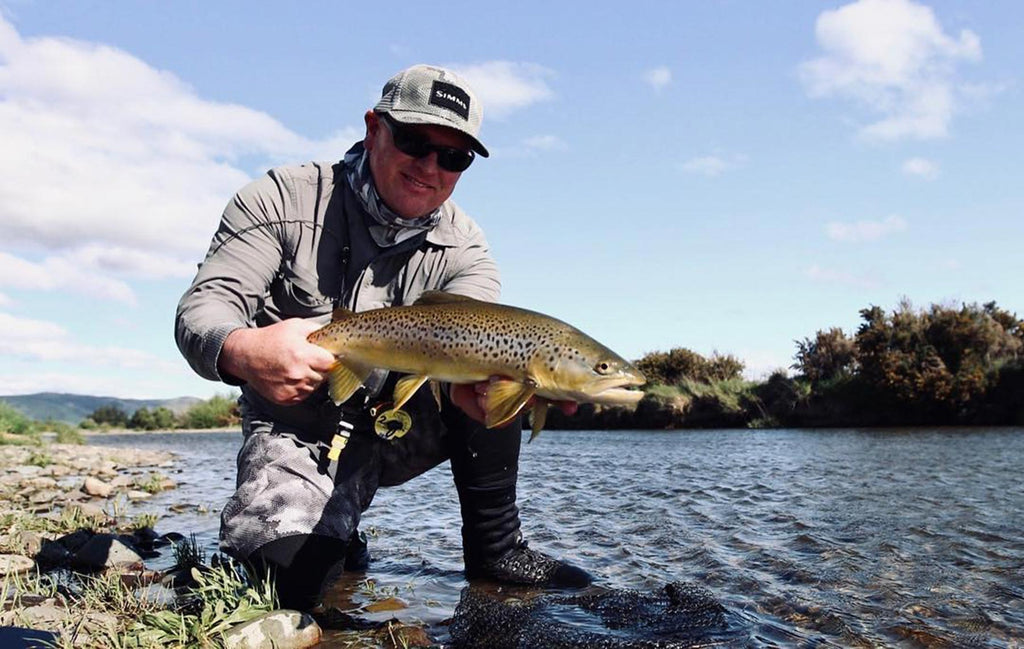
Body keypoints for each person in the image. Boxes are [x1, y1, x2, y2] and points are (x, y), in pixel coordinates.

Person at [175, 64, 591, 612]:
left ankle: (496, 551)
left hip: (399, 421)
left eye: (454, 157)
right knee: (291, 584)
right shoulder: (280, 198)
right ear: (374, 128)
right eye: (415, 141)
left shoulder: (466, 250)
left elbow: (481, 347)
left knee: (508, 366)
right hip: (298, 428)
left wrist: (480, 393)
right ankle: (333, 530)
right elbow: (203, 308)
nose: (430, 167)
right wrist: (242, 351)